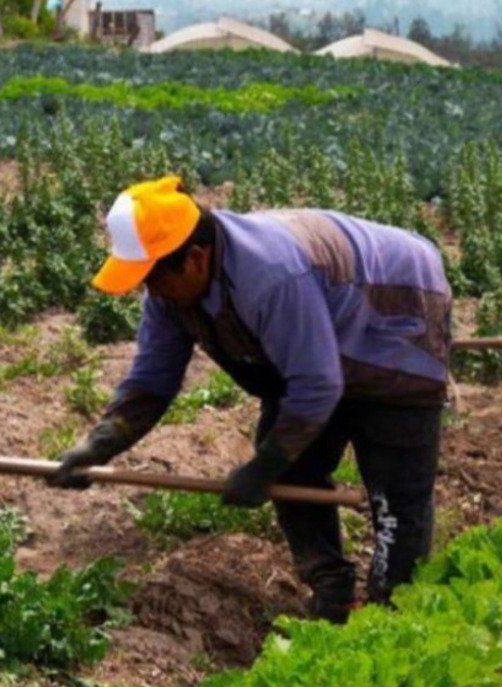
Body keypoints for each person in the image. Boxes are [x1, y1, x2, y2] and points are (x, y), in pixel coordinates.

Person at [49, 176, 452, 623]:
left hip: (397, 309)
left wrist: (265, 464)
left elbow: (317, 384)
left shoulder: (270, 276)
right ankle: (334, 595)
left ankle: (394, 612)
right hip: (320, 326)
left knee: (395, 496)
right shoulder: (169, 294)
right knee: (295, 467)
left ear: (195, 258)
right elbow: (152, 379)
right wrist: (102, 442)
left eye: (154, 278)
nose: (151, 291)